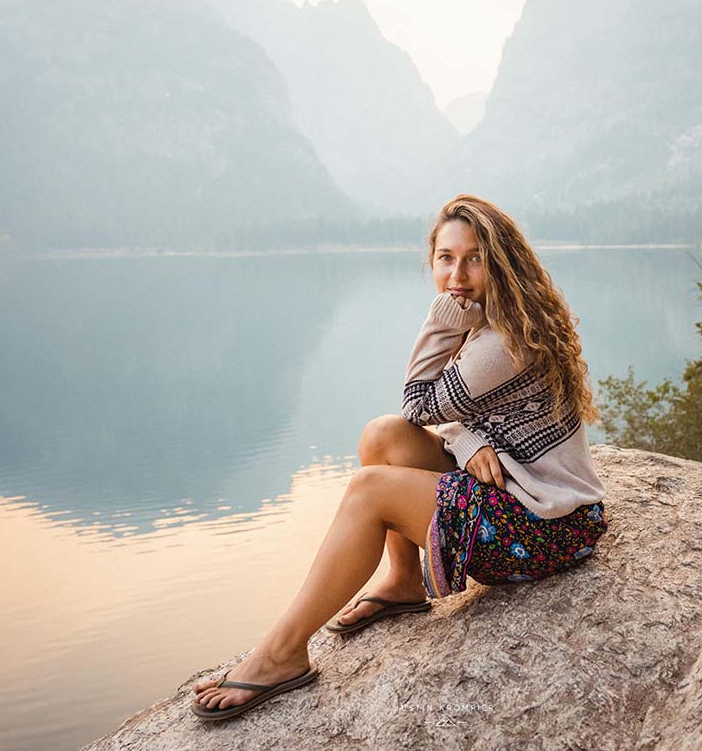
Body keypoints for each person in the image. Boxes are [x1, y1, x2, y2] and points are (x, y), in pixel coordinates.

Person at [192, 194, 608, 721]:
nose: (457, 274)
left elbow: (420, 401)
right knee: (383, 437)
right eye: (446, 258)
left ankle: (283, 654)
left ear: (502, 261)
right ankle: (404, 581)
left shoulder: (503, 339)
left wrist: (442, 321)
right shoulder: (501, 319)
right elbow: (425, 419)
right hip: (526, 493)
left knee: (370, 489)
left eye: (475, 258)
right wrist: (467, 440)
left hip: (546, 530)